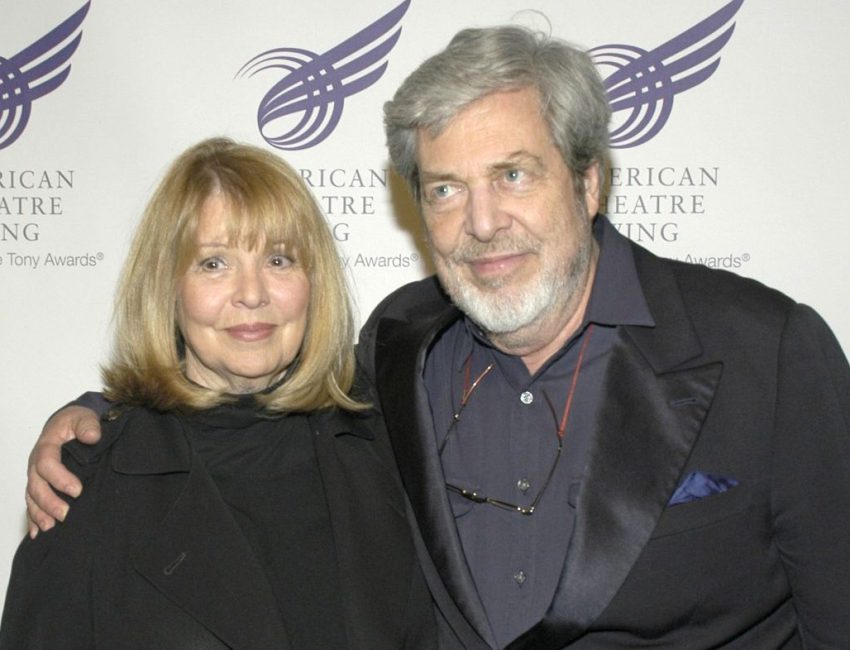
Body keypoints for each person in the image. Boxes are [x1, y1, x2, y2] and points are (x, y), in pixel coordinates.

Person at [22, 26, 850, 649]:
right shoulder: (396, 351)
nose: (483, 223)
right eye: (447, 189)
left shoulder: (767, 353)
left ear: (590, 181)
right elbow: (241, 390)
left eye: (513, 175)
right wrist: (99, 418)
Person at [0, 138, 435, 648]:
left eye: (279, 260)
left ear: (314, 281)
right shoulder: (84, 486)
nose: (252, 293)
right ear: (167, 286)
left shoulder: (388, 446)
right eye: (213, 263)